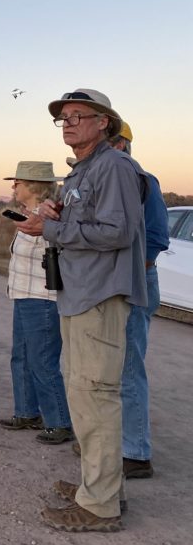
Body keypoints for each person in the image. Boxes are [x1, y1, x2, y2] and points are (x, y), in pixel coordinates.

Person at [18, 89, 147, 533]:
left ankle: (100, 506)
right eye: (64, 118)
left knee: (95, 399)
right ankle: (102, 488)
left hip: (99, 295)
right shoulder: (84, 170)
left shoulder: (113, 166)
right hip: (80, 293)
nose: (69, 123)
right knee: (85, 398)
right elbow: (86, 221)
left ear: (104, 123)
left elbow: (117, 231)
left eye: (79, 116)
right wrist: (55, 213)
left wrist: (52, 227)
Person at [107, 121, 169, 480]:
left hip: (136, 282)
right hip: (116, 281)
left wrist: (128, 269)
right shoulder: (115, 181)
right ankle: (117, 441)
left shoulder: (144, 181)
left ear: (123, 145)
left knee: (129, 367)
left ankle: (135, 452)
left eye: (112, 142)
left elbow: (156, 240)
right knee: (110, 368)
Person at [0, 161, 73, 445]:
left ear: (32, 185)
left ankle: (59, 422)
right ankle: (27, 411)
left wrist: (47, 221)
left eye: (16, 182)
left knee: (42, 361)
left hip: (42, 298)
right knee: (21, 356)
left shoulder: (51, 215)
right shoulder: (29, 215)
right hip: (22, 294)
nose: (13, 187)